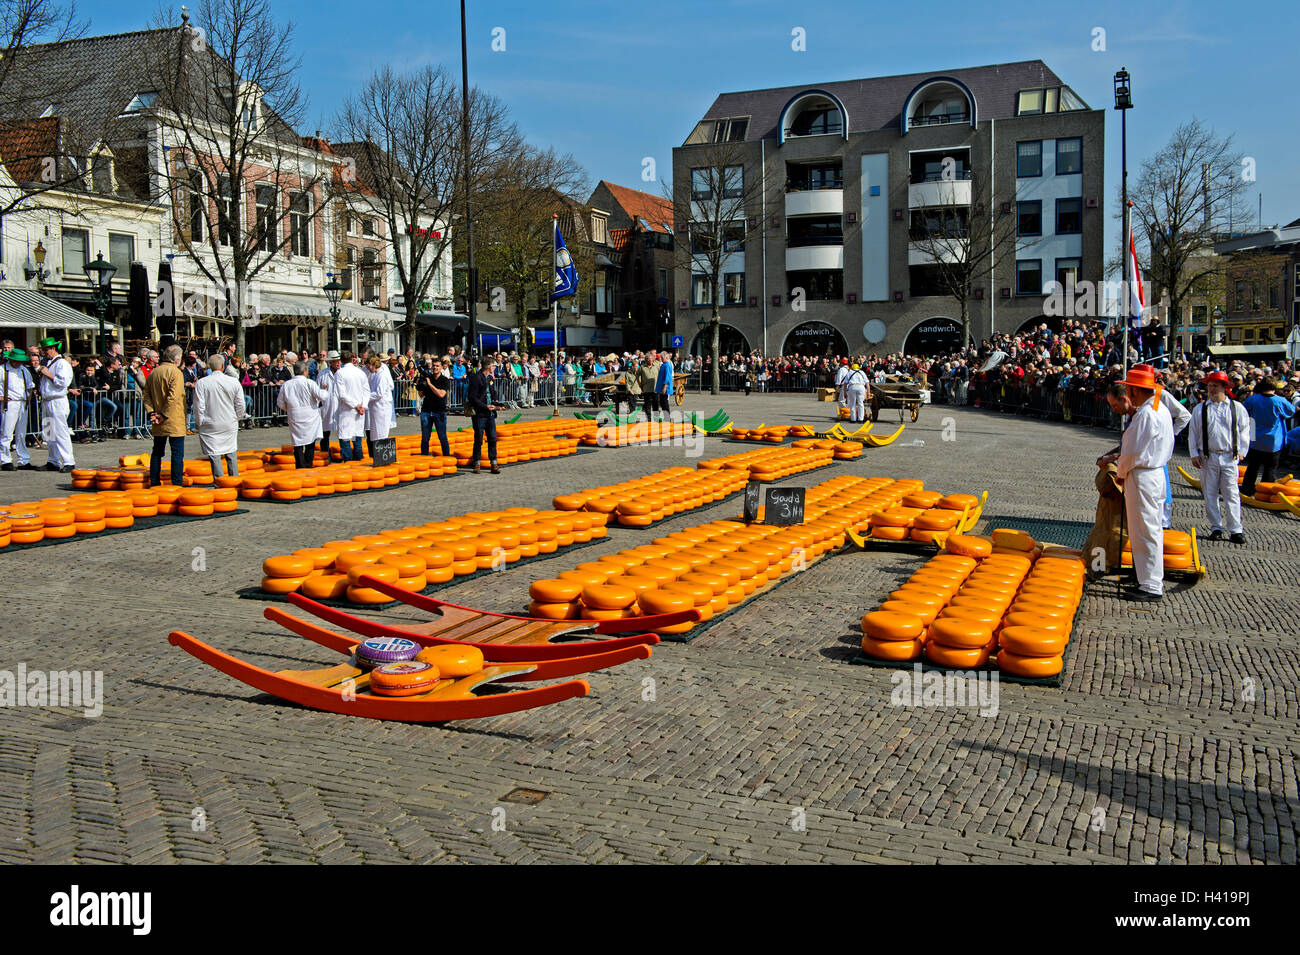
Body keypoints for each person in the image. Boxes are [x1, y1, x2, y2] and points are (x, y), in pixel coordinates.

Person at [1101, 366, 1173, 602]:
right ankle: (1146, 576)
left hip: (1143, 474)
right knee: (1146, 529)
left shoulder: (1145, 415)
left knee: (1145, 530)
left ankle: (1151, 584)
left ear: (1132, 391)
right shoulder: (1158, 407)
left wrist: (1120, 472)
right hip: (1152, 472)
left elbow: (1130, 453)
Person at [1188, 370, 1250, 544]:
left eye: (1215, 386)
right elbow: (1193, 433)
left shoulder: (1237, 408)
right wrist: (1194, 453)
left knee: (1231, 494)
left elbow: (1245, 429)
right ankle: (1216, 526)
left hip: (1229, 457)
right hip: (1208, 457)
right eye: (1209, 386)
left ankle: (1236, 529)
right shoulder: (1201, 409)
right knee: (1210, 494)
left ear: (1224, 387)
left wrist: (1242, 450)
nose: (1211, 389)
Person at [1241, 378, 1296, 496]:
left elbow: (1243, 413)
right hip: (1273, 441)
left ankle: (1247, 490)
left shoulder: (1252, 399)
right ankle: (1265, 493)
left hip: (1255, 439)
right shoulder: (1280, 400)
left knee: (1252, 467)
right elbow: (1291, 412)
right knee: (1270, 469)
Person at [193, 354, 245, 478]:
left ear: (210, 366)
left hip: (210, 423)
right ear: (223, 366)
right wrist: (237, 417)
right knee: (231, 451)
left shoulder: (202, 383)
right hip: (229, 421)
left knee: (214, 453)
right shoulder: (233, 381)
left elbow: (199, 406)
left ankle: (219, 481)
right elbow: (240, 404)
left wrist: (200, 422)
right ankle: (234, 479)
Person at [142, 344, 187, 487]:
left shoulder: (154, 373)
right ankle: (176, 483)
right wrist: (163, 414)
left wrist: (152, 413)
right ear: (177, 359)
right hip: (173, 418)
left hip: (157, 418)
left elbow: (146, 395)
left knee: (157, 451)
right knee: (177, 453)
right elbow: (173, 397)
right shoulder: (176, 373)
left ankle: (154, 481)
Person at [36, 336, 75, 471]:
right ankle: (53, 460)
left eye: (46, 349)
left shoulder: (62, 363)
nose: (44, 352)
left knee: (60, 431)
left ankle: (68, 461)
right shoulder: (49, 362)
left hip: (57, 400)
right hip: (47, 400)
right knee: (49, 433)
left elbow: (63, 383)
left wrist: (48, 374)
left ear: (53, 348)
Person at [278, 360, 325, 468]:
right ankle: (308, 464)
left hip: (295, 415)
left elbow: (280, 402)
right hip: (310, 416)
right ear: (305, 371)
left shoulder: (286, 385)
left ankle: (300, 465)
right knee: (310, 441)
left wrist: (290, 409)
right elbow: (321, 396)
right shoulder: (309, 383)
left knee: (297, 442)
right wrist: (325, 392)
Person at [0, 348, 37, 471]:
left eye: (19, 361)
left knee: (21, 433)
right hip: (9, 403)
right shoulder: (2, 369)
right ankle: (6, 460)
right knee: (6, 433)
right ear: (10, 359)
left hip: (22, 403)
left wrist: (28, 397)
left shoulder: (23, 370)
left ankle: (23, 460)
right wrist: (1, 397)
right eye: (15, 360)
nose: (17, 363)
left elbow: (30, 386)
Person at [333, 351, 369, 462]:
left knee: (345, 438)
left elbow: (342, 394)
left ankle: (348, 463)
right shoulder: (360, 372)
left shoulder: (340, 373)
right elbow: (367, 391)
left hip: (347, 410)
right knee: (357, 437)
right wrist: (363, 405)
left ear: (341, 360)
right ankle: (359, 462)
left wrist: (356, 405)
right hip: (359, 410)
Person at [466, 358, 501, 473]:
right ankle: (477, 463)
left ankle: (494, 463)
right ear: (489, 367)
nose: (495, 368)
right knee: (479, 439)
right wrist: (485, 406)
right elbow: (472, 397)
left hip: (490, 414)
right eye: (494, 366)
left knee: (492, 438)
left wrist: (496, 404)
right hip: (480, 413)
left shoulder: (490, 378)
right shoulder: (476, 378)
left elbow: (493, 392)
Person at [418, 357, 451, 457]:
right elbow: (421, 395)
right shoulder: (428, 378)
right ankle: (424, 457)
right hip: (426, 411)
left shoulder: (444, 380)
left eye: (437, 366)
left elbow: (441, 394)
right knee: (425, 437)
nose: (435, 368)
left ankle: (446, 457)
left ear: (441, 367)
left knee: (442, 436)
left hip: (439, 411)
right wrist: (420, 384)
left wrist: (430, 384)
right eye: (434, 366)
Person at [365, 353, 394, 458]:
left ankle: (382, 457)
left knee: (381, 433)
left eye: (369, 366)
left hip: (381, 408)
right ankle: (379, 457)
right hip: (376, 408)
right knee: (376, 433)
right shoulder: (376, 375)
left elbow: (379, 393)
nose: (368, 369)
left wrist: (365, 397)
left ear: (373, 365)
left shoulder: (381, 375)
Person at [317, 350, 340, 456]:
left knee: (343, 433)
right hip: (327, 406)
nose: (338, 363)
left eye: (339, 360)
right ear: (330, 362)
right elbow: (318, 390)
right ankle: (324, 454)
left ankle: (343, 455)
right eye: (336, 361)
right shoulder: (323, 374)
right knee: (325, 433)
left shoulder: (343, 373)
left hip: (340, 406)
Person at [654, 351, 675, 420]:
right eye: (661, 357)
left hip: (665, 388)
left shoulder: (667, 365)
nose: (661, 359)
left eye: (662, 357)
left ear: (666, 357)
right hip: (661, 387)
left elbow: (668, 377)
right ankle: (666, 418)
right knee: (662, 403)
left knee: (665, 403)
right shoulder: (663, 364)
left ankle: (667, 418)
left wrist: (664, 387)